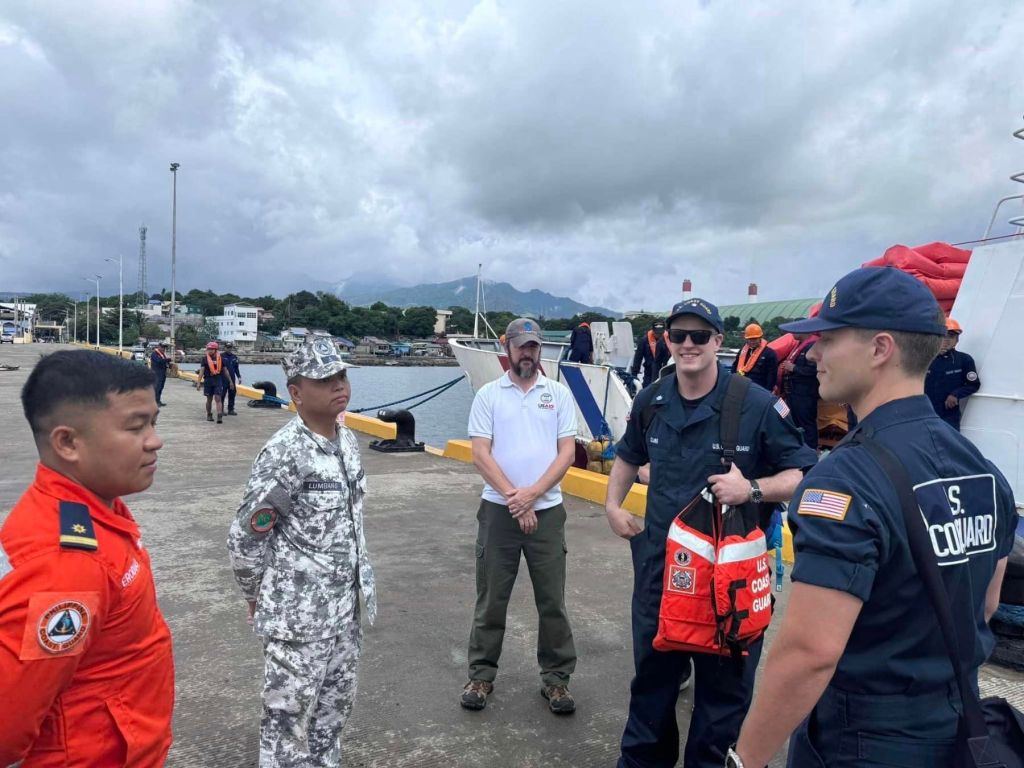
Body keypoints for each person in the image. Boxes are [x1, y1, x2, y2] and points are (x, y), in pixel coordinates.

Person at [731, 267, 1017, 768]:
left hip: (864, 740)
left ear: (880, 348)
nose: (811, 353)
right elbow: (985, 604)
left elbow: (809, 653)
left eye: (826, 339)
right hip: (957, 730)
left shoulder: (844, 481)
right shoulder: (984, 472)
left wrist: (746, 759)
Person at [604, 298, 816, 768]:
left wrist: (753, 488)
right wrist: (612, 506)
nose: (687, 344)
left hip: (730, 583)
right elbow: (627, 455)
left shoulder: (755, 404)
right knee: (652, 692)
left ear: (719, 342)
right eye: (679, 335)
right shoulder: (652, 399)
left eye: (700, 336)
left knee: (722, 705)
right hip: (662, 574)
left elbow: (803, 472)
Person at [0, 350, 174, 766]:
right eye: (136, 427)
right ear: (68, 442)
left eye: (153, 422)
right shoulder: (67, 565)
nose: (155, 440)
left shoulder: (84, 510)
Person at [227, 338, 376, 768]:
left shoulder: (346, 441)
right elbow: (246, 537)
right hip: (297, 617)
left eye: (342, 375)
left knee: (332, 715)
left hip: (343, 609)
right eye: (325, 379)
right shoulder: (284, 454)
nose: (338, 385)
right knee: (286, 723)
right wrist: (256, 595)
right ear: (295, 391)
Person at [460, 317, 579, 714]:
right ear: (506, 347)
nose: (528, 352)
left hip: (547, 512)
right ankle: (481, 675)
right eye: (521, 345)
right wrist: (515, 497)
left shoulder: (558, 395)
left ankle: (557, 680)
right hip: (498, 512)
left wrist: (533, 496)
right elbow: (481, 453)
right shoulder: (489, 395)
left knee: (552, 602)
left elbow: (566, 453)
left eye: (534, 346)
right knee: (492, 598)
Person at [924, 316, 980, 431]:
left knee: (949, 447)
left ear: (957, 340)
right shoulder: (922, 359)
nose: (946, 340)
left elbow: (973, 384)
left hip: (948, 416)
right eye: (942, 336)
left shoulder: (964, 360)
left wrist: (956, 394)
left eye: (951, 336)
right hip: (923, 414)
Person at [777, 331, 819, 451]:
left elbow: (814, 371)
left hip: (805, 393)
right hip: (792, 392)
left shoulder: (811, 346)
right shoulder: (798, 345)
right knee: (794, 422)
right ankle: (798, 449)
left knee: (806, 422)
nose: (791, 334)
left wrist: (794, 368)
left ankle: (811, 451)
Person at [730, 323, 778, 392]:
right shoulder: (742, 351)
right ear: (746, 339)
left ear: (760, 337)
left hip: (759, 388)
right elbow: (735, 366)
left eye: (755, 339)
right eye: (750, 339)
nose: (752, 341)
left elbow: (772, 375)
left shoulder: (769, 354)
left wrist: (768, 391)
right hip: (742, 387)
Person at [631, 320, 671, 388]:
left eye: (661, 333)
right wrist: (634, 375)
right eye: (657, 333)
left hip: (666, 371)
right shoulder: (644, 341)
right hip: (649, 372)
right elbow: (638, 358)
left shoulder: (669, 339)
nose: (659, 335)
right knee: (648, 390)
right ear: (652, 330)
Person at [198, 340, 229, 424]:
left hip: (218, 380)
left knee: (218, 398)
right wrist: (198, 382)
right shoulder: (204, 359)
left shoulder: (221, 359)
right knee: (209, 399)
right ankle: (209, 414)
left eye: (211, 349)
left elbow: (225, 370)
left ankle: (219, 416)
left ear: (216, 350)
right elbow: (201, 371)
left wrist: (231, 381)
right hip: (208, 380)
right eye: (208, 349)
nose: (210, 350)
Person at [222, 341, 243, 416]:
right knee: (222, 394)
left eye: (230, 347)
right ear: (224, 348)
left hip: (232, 378)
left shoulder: (234, 357)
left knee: (232, 394)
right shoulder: (221, 356)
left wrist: (239, 377)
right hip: (223, 379)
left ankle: (231, 409)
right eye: (227, 347)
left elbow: (236, 368)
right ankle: (221, 409)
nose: (229, 349)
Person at [150, 341, 171, 406]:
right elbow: (159, 361)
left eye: (164, 348)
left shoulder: (162, 354)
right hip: (157, 373)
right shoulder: (154, 354)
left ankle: (158, 400)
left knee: (161, 387)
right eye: (162, 347)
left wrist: (169, 365)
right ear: (159, 347)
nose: (164, 349)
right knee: (157, 387)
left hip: (162, 373)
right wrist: (167, 360)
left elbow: (164, 362)